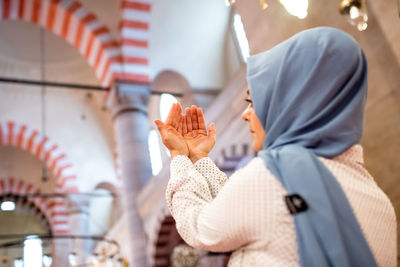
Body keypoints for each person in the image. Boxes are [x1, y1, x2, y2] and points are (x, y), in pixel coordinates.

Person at [154, 27, 397, 267]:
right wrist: (199, 159)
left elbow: (200, 227)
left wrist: (179, 156)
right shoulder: (377, 200)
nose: (246, 115)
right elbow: (243, 210)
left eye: (253, 101)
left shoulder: (271, 178)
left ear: (289, 101)